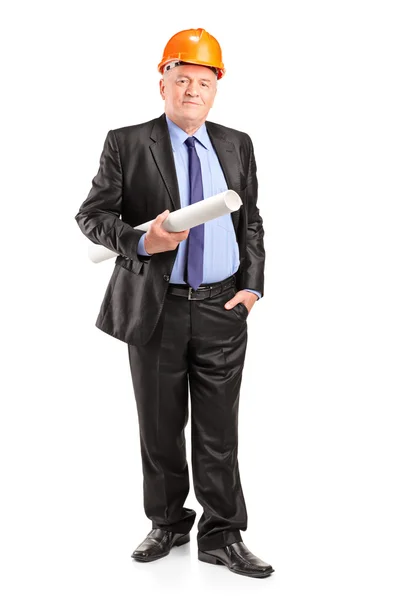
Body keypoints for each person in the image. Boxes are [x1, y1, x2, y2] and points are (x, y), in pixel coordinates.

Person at [75, 27, 274, 579]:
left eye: (203, 82)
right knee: (160, 425)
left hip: (222, 307)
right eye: (181, 78)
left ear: (216, 90)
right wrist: (141, 241)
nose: (192, 90)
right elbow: (91, 217)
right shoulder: (127, 142)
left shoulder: (237, 143)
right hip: (155, 308)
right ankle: (166, 522)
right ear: (162, 81)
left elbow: (251, 221)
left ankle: (222, 534)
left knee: (218, 429)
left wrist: (251, 287)